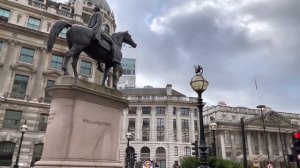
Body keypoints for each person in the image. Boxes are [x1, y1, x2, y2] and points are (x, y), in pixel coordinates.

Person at [88, 6, 117, 72]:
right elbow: (99, 24)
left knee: (98, 49)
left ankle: (98, 64)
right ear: (99, 10)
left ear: (93, 10)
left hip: (90, 29)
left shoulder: (91, 16)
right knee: (112, 43)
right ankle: (114, 58)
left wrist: (89, 29)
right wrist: (95, 30)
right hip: (99, 31)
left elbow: (88, 25)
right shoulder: (99, 14)